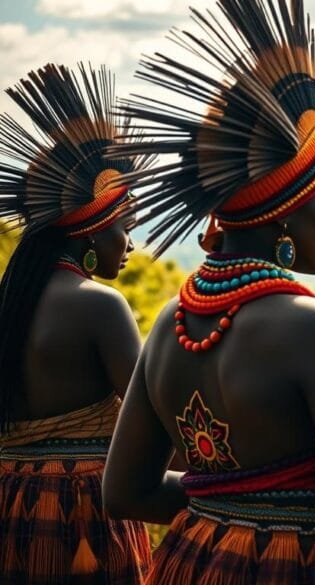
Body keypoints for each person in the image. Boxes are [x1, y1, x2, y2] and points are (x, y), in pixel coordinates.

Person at [101, 1, 315, 583]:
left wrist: (229, 514)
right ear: (286, 211)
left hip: (191, 564)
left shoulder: (169, 321)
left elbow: (125, 491)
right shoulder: (313, 328)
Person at [0, 62, 152, 584]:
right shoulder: (99, 305)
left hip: (9, 500)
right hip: (82, 513)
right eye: (126, 226)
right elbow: (152, 424)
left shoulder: (13, 300)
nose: (131, 244)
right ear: (93, 229)